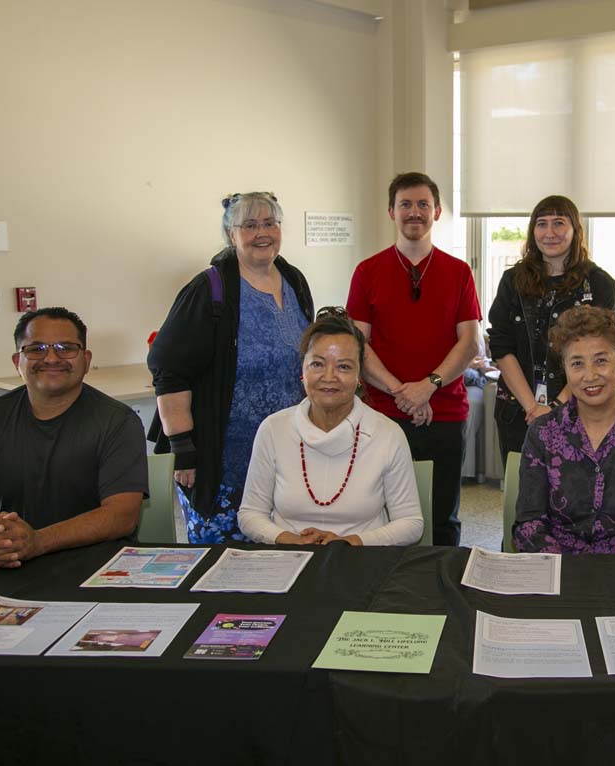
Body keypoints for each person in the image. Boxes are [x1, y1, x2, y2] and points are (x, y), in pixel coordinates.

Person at [148, 192, 314, 544]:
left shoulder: (294, 280)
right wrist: (183, 449)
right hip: (223, 462)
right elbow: (168, 367)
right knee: (223, 568)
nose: (262, 233)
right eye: (250, 225)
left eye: (270, 223)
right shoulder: (209, 289)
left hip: (284, 461)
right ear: (230, 235)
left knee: (284, 558)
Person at [0, 308, 147, 568]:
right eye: (35, 349)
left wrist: (38, 541)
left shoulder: (118, 422)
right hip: (11, 564)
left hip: (97, 564)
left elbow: (122, 514)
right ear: (17, 361)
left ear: (86, 359)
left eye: (65, 347)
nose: (51, 358)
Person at [347, 172, 482, 546]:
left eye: (423, 204)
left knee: (442, 517)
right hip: (384, 414)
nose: (414, 212)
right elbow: (357, 344)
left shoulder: (459, 272)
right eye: (405, 204)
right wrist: (401, 392)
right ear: (391, 211)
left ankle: (441, 593)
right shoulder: (367, 272)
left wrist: (428, 386)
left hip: (446, 413)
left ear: (437, 211)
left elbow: (469, 343)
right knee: (382, 512)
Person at [238, 308, 422, 546]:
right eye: (317, 364)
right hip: (289, 558)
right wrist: (290, 540)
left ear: (359, 377)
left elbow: (410, 523)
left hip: (360, 558)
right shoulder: (273, 429)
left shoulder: (387, 434)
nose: (329, 376)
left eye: (344, 367)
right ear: (302, 371)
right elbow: (250, 514)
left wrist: (350, 542)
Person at [514, 306, 615, 553]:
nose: (589, 375)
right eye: (577, 363)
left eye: (601, 361)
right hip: (556, 570)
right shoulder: (543, 432)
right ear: (566, 370)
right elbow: (529, 524)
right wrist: (567, 572)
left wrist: (613, 578)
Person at [487, 195, 615, 461]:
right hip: (518, 410)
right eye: (541, 224)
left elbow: (601, 353)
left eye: (559, 223)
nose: (549, 233)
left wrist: (555, 407)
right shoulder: (512, 281)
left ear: (574, 230)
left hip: (579, 410)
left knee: (573, 494)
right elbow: (501, 346)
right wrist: (532, 407)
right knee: (521, 493)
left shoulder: (600, 284)